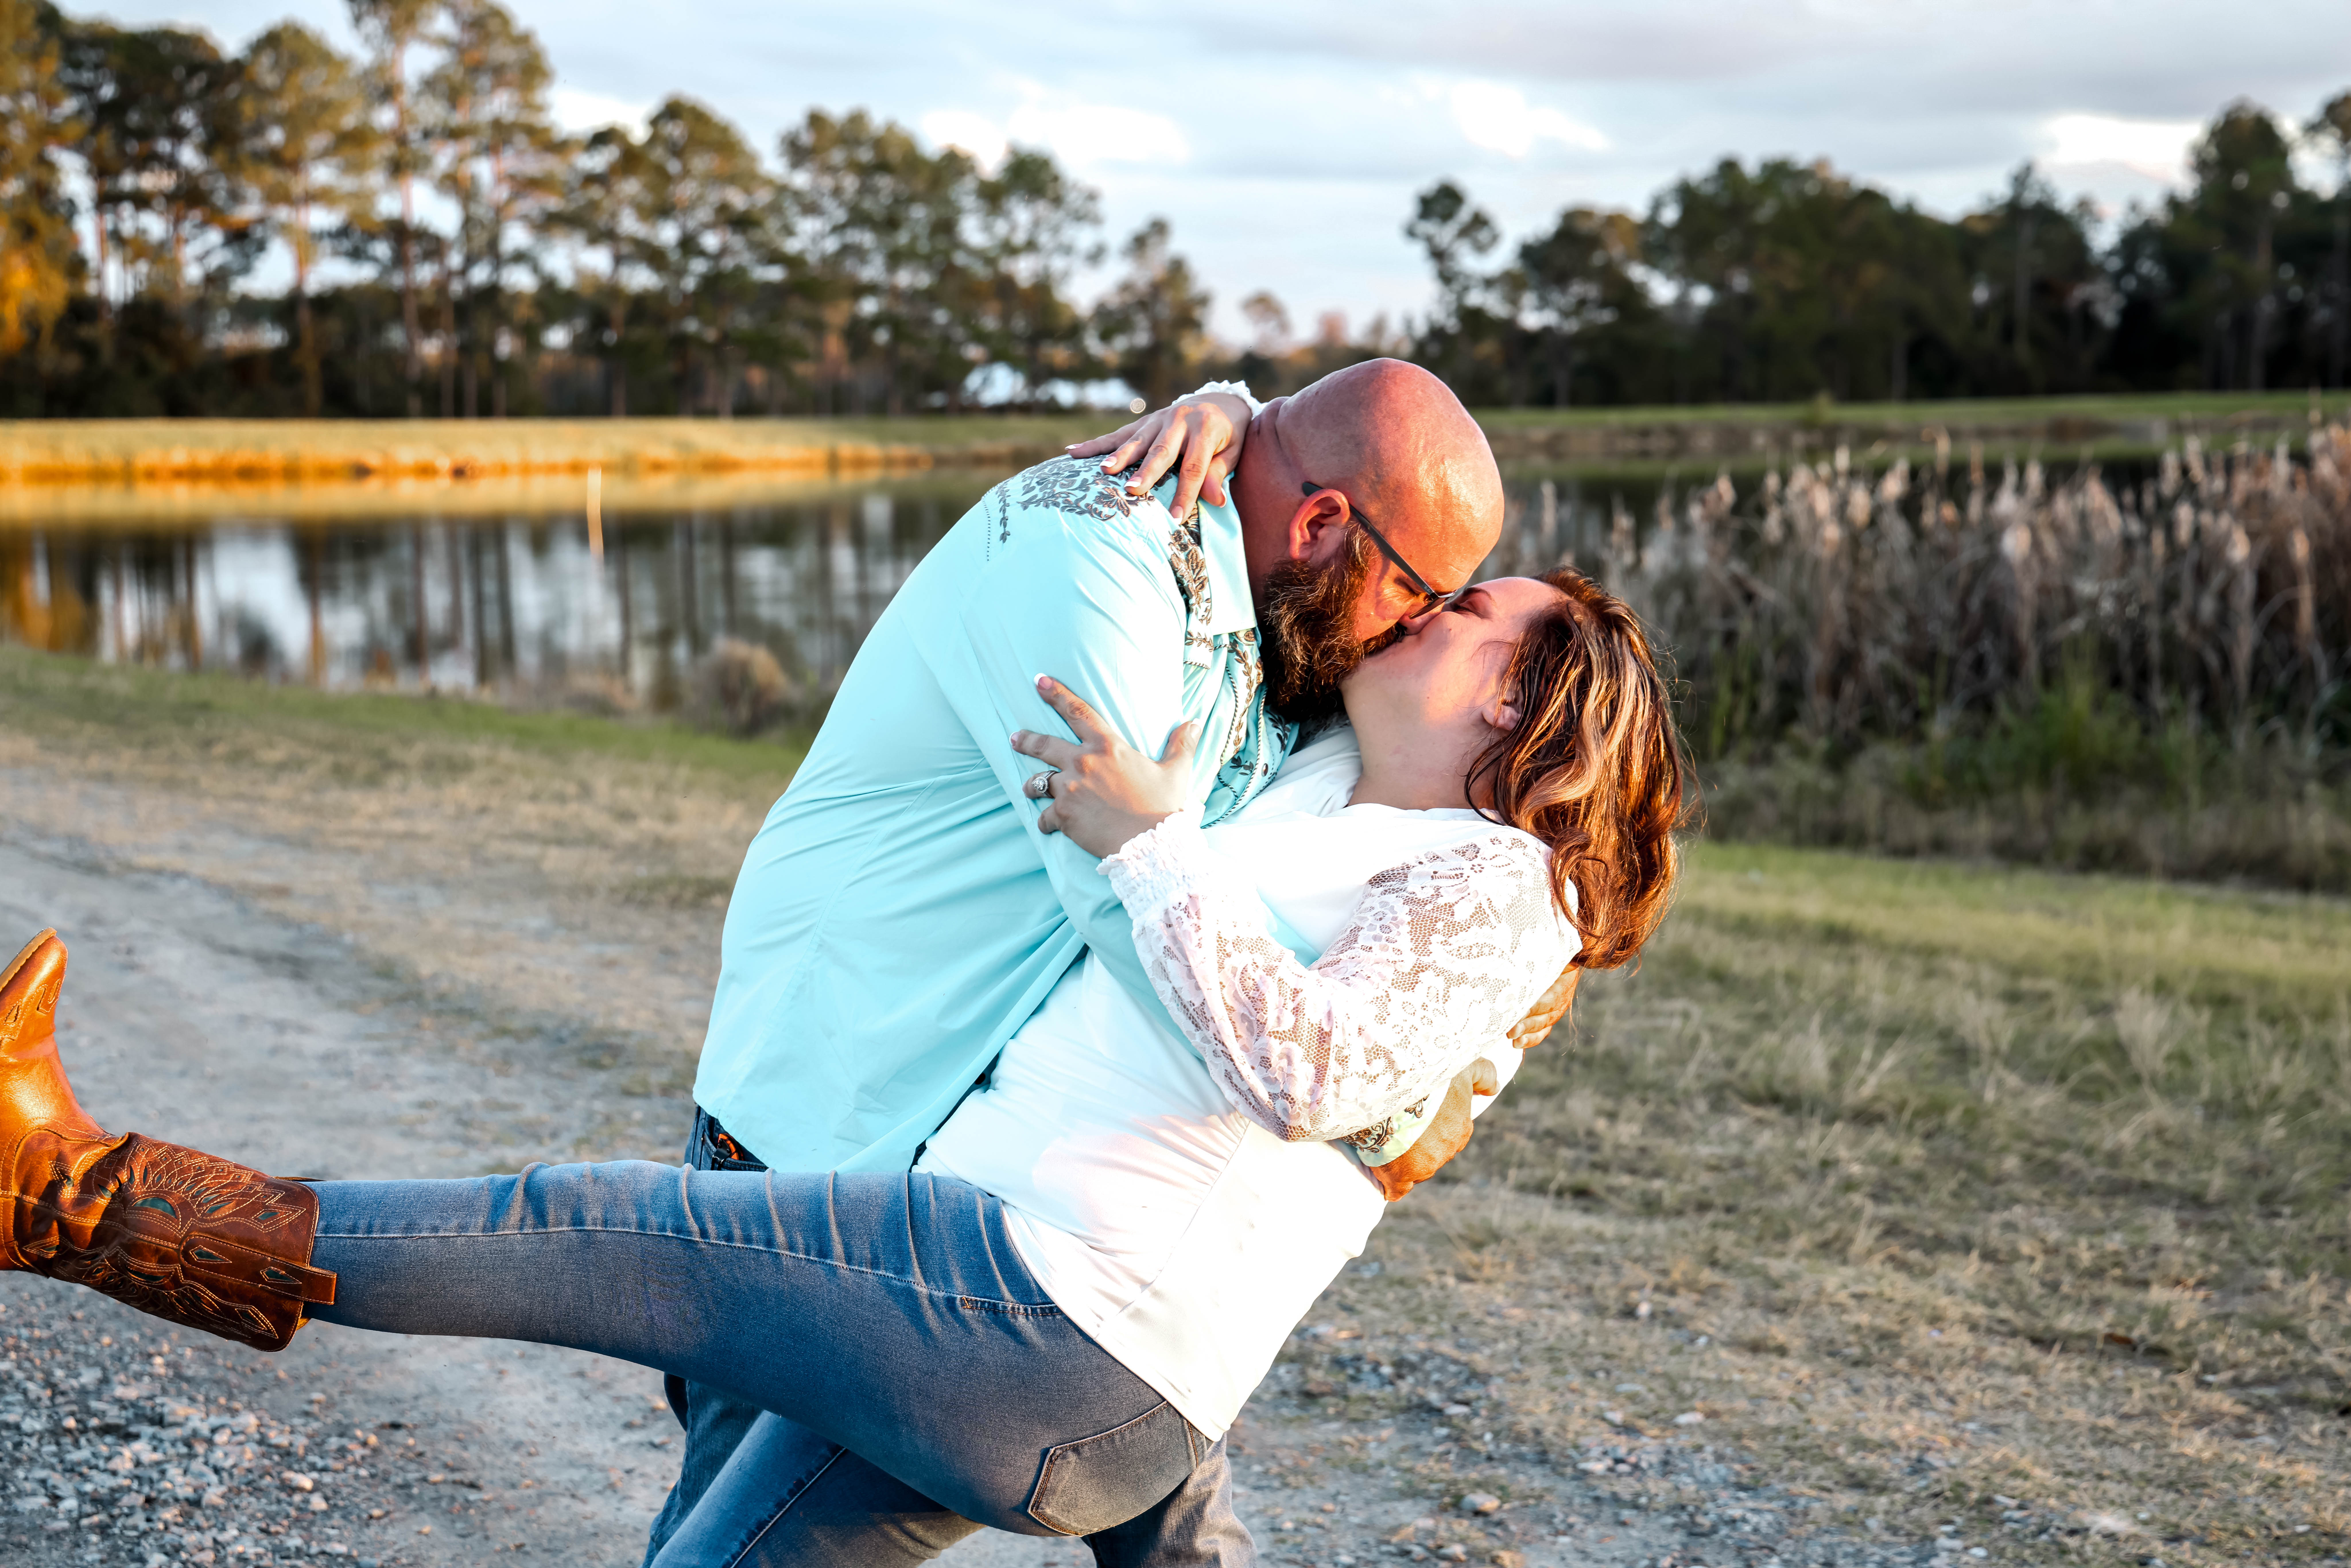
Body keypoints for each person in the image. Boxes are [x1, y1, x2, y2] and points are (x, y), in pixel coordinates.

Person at [0, 559, 1689, 1566]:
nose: (1424, 604)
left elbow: (1313, 1072)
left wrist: (1146, 843)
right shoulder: (1327, 772)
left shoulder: (1501, 884)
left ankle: (63, 1189)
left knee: (590, 1227)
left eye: (1472, 612)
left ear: (1526, 714)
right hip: (1015, 1347)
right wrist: (1223, 403)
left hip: (1033, 1305)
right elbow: (1267, 528)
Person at [653, 362, 1570, 1563]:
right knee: (743, 1527)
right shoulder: (1090, 556)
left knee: (1150, 1457)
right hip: (837, 1132)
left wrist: (1238, 410)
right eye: (1417, 596)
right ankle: (320, 1242)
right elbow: (1133, 909)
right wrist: (1365, 1098)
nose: (1411, 627)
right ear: (1322, 525)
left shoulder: (1284, 613)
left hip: (1035, 1215)